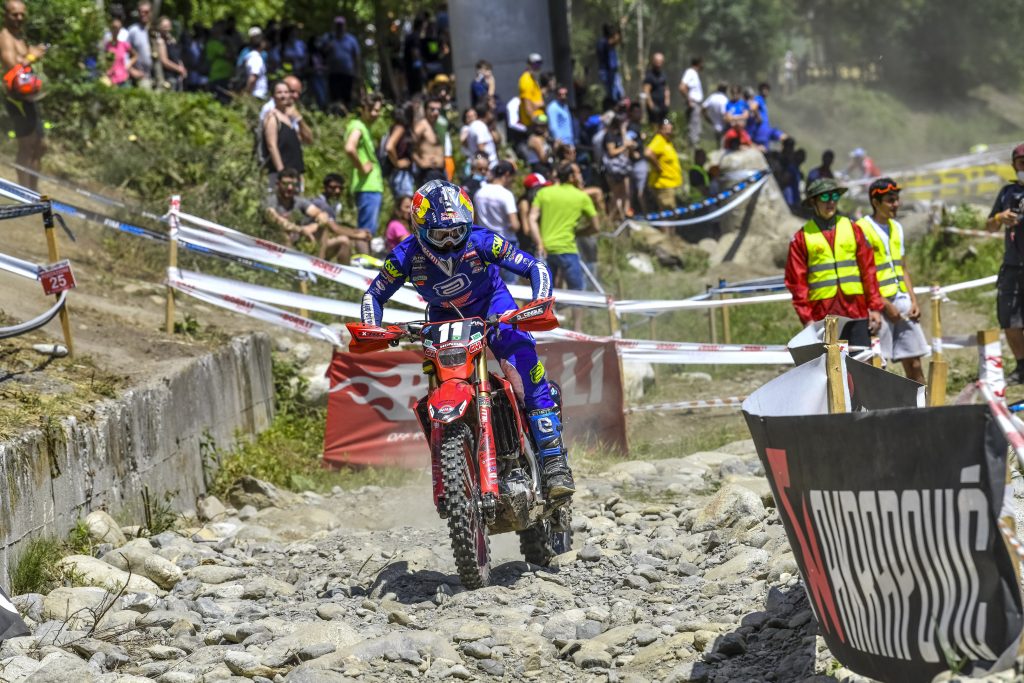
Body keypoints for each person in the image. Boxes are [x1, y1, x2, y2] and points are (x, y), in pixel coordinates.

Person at [361, 180, 576, 500]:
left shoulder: (482, 240)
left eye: (456, 232)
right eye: (440, 235)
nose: (449, 242)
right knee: (437, 385)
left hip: (494, 307)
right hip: (444, 318)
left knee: (520, 372)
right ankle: (454, 461)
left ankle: (553, 461)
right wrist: (373, 327)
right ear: (420, 229)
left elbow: (534, 266)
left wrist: (539, 303)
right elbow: (375, 295)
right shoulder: (404, 255)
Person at [784, 178, 884, 347]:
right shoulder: (801, 237)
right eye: (824, 197)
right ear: (813, 201)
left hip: (856, 310)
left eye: (834, 196)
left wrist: (874, 308)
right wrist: (806, 318)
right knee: (831, 370)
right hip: (823, 315)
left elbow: (868, 270)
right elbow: (796, 283)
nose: (830, 201)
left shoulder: (853, 229)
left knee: (861, 365)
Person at [856, 178, 927, 383]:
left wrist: (913, 301)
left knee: (914, 363)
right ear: (875, 202)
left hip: (902, 301)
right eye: (890, 200)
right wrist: (884, 305)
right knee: (879, 366)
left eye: (897, 199)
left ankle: (924, 410)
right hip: (878, 306)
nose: (896, 204)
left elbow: (903, 268)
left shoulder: (897, 227)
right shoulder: (861, 229)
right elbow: (862, 274)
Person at [531, 163, 600, 330]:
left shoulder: (544, 193)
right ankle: (577, 330)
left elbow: (532, 218)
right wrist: (580, 232)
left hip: (545, 250)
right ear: (571, 177)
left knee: (544, 292)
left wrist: (539, 241)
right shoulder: (581, 197)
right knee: (577, 292)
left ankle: (544, 329)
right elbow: (596, 227)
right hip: (568, 250)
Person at [986, 143, 1024, 384]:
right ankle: (1021, 368)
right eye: (1022, 163)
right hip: (1012, 266)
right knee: (1009, 318)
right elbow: (989, 225)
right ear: (1014, 166)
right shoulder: (1006, 192)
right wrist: (1000, 217)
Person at [0, 0, 45, 191]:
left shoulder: (19, 36)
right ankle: (24, 192)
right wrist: (33, 55)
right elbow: (13, 65)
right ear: (6, 15)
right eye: (14, 14)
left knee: (40, 146)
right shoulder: (5, 37)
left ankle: (34, 191)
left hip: (29, 97)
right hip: (15, 99)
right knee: (27, 146)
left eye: (21, 14)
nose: (19, 18)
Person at [263, 168, 357, 261]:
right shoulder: (270, 201)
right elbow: (276, 220)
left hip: (301, 244)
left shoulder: (299, 201)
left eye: (293, 184)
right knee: (283, 234)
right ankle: (288, 266)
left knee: (340, 239)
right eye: (286, 184)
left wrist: (314, 225)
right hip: (274, 245)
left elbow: (322, 215)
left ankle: (320, 267)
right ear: (278, 184)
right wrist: (301, 230)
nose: (290, 188)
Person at [344, 93, 385, 238]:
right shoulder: (358, 126)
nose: (375, 113)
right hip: (367, 186)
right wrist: (361, 167)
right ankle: (364, 260)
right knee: (365, 232)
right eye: (371, 109)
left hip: (370, 187)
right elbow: (350, 147)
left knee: (368, 230)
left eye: (377, 110)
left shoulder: (365, 127)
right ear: (362, 109)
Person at [473, 160, 521, 282]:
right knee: (510, 283)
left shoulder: (479, 193)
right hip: (506, 241)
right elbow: (515, 225)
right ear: (506, 175)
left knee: (490, 281)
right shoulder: (506, 195)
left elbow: (476, 220)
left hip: (485, 241)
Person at [263, 80, 308, 190]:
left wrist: (299, 119)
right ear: (273, 96)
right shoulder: (272, 118)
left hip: (296, 173)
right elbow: (272, 146)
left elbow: (309, 140)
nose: (283, 96)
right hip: (281, 176)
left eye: (286, 92)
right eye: (279, 93)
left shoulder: (291, 117)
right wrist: (282, 173)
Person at [645, 118, 683, 216]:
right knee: (668, 214)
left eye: (670, 127)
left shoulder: (667, 141)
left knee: (671, 214)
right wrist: (658, 166)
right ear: (660, 129)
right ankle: (666, 231)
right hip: (663, 184)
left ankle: (670, 231)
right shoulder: (659, 140)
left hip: (670, 184)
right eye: (665, 128)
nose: (668, 130)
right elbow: (648, 153)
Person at [324, 16, 360, 109]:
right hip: (333, 73)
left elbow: (356, 57)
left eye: (341, 25)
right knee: (334, 96)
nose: (339, 28)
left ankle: (347, 113)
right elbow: (322, 53)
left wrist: (357, 72)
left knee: (346, 96)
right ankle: (335, 115)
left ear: (345, 26)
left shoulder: (351, 40)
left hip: (347, 73)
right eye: (337, 26)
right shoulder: (328, 38)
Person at [413, 96, 446, 186]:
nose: (436, 113)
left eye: (438, 110)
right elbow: (409, 145)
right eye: (432, 109)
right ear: (425, 110)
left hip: (440, 172)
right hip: (428, 173)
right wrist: (420, 162)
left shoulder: (436, 127)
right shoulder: (422, 126)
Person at [678, 56, 703, 148]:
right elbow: (682, 87)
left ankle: (694, 149)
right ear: (699, 63)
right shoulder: (690, 72)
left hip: (696, 105)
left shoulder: (694, 74)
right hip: (693, 104)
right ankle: (693, 151)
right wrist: (688, 100)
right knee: (693, 129)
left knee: (696, 128)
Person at [126, 1, 153, 88]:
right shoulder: (133, 31)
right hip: (141, 77)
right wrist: (131, 70)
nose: (143, 14)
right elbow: (124, 53)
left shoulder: (155, 30)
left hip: (158, 76)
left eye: (146, 12)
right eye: (140, 12)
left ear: (151, 13)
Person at [155, 16, 186, 91]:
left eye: (168, 26)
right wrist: (179, 69)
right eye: (164, 27)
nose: (167, 29)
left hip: (177, 76)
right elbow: (164, 61)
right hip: (169, 77)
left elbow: (177, 57)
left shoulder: (172, 40)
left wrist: (182, 68)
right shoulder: (160, 42)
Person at [596, 23, 624, 103]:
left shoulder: (608, 42)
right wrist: (620, 28)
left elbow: (617, 41)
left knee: (619, 93)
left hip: (613, 72)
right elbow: (612, 42)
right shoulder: (603, 42)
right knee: (612, 93)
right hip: (607, 72)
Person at [642, 52, 670, 125]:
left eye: (660, 61)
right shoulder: (649, 75)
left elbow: (666, 89)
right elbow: (646, 91)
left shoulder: (663, 74)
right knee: (654, 126)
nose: (659, 64)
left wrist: (667, 103)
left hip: (663, 107)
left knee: (666, 123)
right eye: (657, 61)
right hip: (654, 108)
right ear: (653, 62)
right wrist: (652, 106)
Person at [518, 53, 544, 128]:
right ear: (528, 65)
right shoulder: (526, 80)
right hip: (533, 123)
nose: (537, 67)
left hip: (540, 119)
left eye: (539, 64)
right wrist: (536, 124)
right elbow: (527, 106)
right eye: (535, 64)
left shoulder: (533, 79)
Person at [546, 84, 574, 149]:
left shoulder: (565, 106)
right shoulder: (553, 107)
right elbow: (553, 126)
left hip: (569, 141)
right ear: (556, 95)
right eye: (560, 94)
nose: (563, 97)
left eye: (565, 94)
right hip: (561, 143)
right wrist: (559, 141)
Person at [243, 27, 267, 99]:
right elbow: (253, 77)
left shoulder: (261, 54)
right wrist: (247, 93)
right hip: (256, 94)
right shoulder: (256, 58)